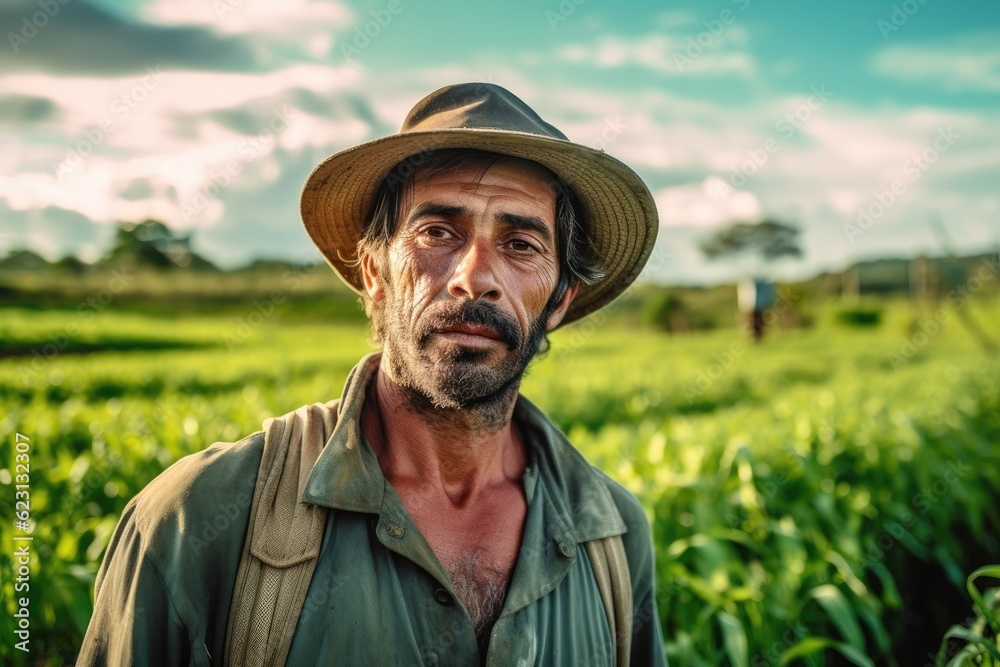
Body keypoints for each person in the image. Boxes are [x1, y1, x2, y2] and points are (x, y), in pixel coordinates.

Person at [78, 82, 667, 666]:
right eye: (438, 232)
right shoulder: (197, 520)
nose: (475, 277)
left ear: (559, 300)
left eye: (520, 243)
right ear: (373, 273)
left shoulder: (612, 537)